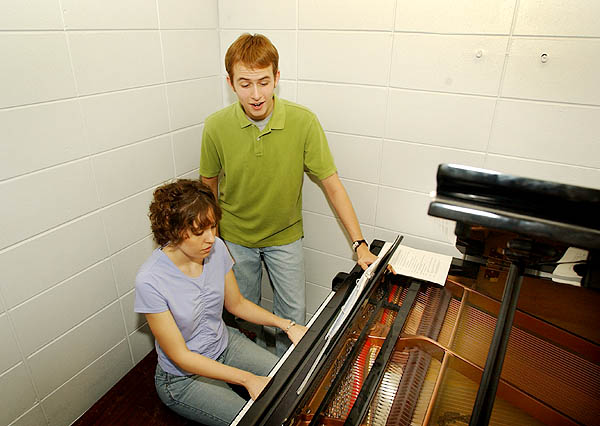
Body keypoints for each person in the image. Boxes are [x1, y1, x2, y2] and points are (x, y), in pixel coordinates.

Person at [200, 33, 378, 355]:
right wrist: (212, 240)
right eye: (245, 84)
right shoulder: (215, 126)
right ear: (230, 83)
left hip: (285, 237)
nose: (256, 94)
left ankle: (284, 382)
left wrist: (360, 244)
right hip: (235, 239)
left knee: (292, 318)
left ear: (277, 78)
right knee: (242, 316)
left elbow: (332, 185)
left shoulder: (303, 121)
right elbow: (207, 186)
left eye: (264, 82)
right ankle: (251, 385)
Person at [134, 179, 307, 426]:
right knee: (259, 420)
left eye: (213, 226)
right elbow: (181, 356)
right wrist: (247, 379)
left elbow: (236, 304)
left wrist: (288, 325)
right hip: (182, 378)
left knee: (293, 382)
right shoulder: (150, 280)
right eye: (199, 231)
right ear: (174, 231)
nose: (211, 238)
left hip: (224, 344)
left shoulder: (216, 249)